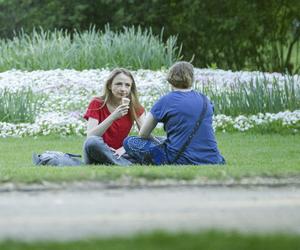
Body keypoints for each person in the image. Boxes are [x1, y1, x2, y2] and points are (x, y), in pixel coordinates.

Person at [123, 61, 225, 165]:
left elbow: (143, 133)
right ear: (191, 78)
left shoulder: (166, 100)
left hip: (179, 159)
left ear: (170, 78)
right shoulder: (205, 100)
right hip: (214, 158)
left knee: (130, 141)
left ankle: (156, 160)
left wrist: (155, 141)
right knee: (166, 140)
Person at [83, 68, 144, 166]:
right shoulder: (97, 103)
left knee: (158, 141)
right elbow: (90, 136)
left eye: (127, 85)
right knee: (92, 142)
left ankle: (114, 162)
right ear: (109, 86)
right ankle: (127, 165)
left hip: (120, 154)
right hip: (97, 151)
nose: (123, 89)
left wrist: (124, 149)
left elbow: (145, 136)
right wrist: (113, 117)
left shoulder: (135, 107)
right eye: (118, 84)